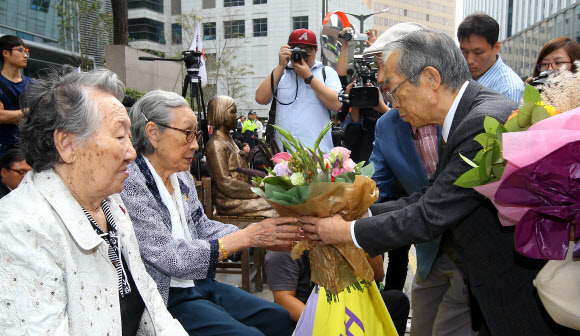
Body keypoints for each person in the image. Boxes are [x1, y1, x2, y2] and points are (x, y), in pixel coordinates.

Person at [301, 31, 580, 335]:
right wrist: (359, 214)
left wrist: (345, 231)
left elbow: (429, 215)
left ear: (430, 78)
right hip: (498, 282)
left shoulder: (479, 122)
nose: (392, 104)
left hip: (518, 289)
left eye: (393, 89)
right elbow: (429, 195)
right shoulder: (468, 115)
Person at [0, 67, 186, 335]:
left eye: (130, 139)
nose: (131, 153)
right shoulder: (19, 230)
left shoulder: (111, 206)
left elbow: (151, 306)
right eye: (119, 136)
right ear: (66, 143)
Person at [120, 90, 302, 336]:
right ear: (154, 133)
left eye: (194, 134)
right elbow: (170, 257)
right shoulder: (131, 182)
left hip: (198, 282)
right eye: (187, 134)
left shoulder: (181, 174)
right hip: (166, 294)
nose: (195, 145)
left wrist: (256, 238)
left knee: (278, 317)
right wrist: (248, 237)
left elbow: (202, 226)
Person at [368, 23, 476, 336]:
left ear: (429, 75)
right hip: (429, 249)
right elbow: (376, 185)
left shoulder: (467, 117)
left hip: (471, 249)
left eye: (390, 77)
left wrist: (352, 227)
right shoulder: (389, 124)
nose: (381, 83)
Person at [265, 250, 410, 335]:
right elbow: (284, 299)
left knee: (397, 301)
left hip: (350, 305)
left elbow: (378, 275)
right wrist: (331, 323)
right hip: (310, 317)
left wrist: (361, 235)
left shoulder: (344, 230)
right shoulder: (287, 243)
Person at [255, 28, 342, 153]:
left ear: (316, 51)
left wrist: (308, 77)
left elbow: (336, 105)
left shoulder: (326, 73)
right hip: (283, 156)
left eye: (307, 49)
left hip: (317, 155)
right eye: (297, 48)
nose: (302, 54)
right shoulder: (282, 73)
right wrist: (280, 66)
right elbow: (261, 98)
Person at [205, 95, 276, 217]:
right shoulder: (216, 143)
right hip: (229, 200)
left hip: (241, 195)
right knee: (275, 208)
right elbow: (224, 182)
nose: (237, 116)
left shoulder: (229, 140)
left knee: (281, 202)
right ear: (221, 113)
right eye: (233, 112)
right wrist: (255, 191)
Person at [458, 13, 524, 102]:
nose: (469, 60)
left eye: (478, 53)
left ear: (496, 47)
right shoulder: (459, 78)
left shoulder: (509, 89)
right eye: (464, 52)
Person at [0, 35, 30, 158]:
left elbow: (42, 113)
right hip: (4, 149)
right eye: (20, 50)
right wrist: (29, 111)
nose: (25, 55)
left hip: (28, 149)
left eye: (26, 51)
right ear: (6, 53)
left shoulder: (33, 84)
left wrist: (10, 115)